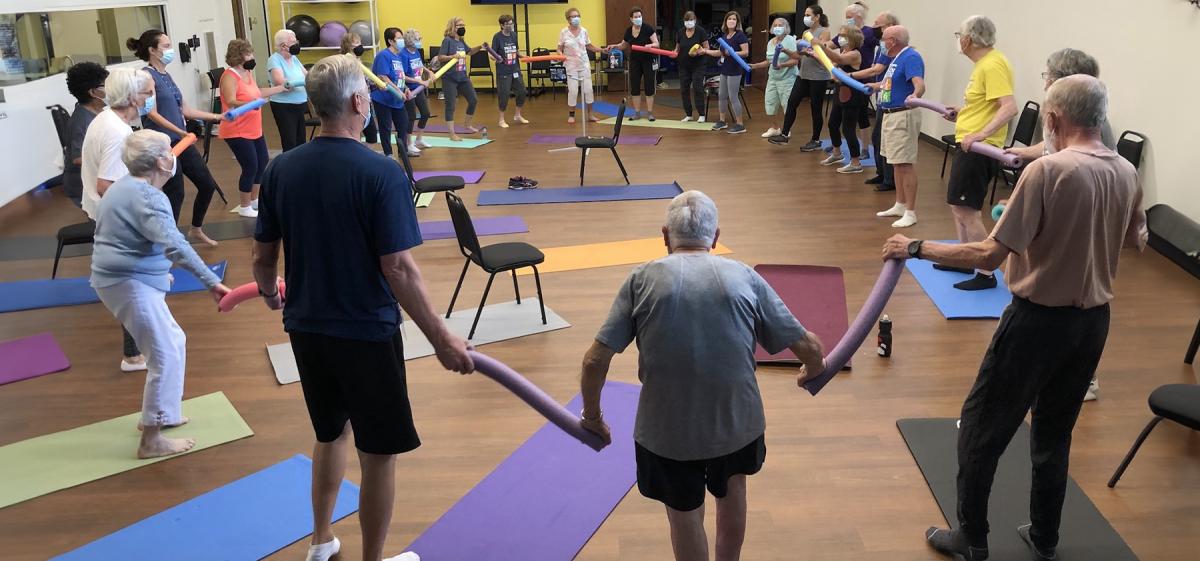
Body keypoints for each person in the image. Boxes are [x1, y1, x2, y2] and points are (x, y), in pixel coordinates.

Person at [883, 75, 1147, 561]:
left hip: (1037, 323)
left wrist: (914, 247)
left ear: (1053, 118)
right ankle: (1045, 538)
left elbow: (987, 256)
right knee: (1053, 433)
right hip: (1091, 326)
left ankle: (972, 537)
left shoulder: (1048, 171)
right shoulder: (1127, 171)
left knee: (982, 428)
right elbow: (1139, 239)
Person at [251, 54, 474, 561]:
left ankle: (320, 541)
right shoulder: (382, 172)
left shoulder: (280, 168)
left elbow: (264, 257)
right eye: (368, 95)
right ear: (357, 101)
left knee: (330, 434)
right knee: (378, 454)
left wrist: (268, 293)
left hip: (307, 329)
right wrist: (442, 338)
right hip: (366, 333)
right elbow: (398, 268)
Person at [579, 190, 826, 561]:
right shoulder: (743, 275)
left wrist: (593, 417)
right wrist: (815, 367)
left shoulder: (642, 279)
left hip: (668, 431)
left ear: (665, 236)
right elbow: (807, 345)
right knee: (733, 490)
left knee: (684, 516)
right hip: (735, 422)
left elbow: (594, 362)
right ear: (715, 236)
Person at [91, 129, 231, 459]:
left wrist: (156, 268)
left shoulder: (125, 186)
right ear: (161, 161)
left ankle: (162, 414)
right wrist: (211, 281)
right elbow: (176, 245)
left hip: (125, 278)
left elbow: (129, 237)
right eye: (169, 150)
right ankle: (151, 439)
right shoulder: (149, 198)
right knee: (163, 355)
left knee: (174, 341)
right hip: (125, 282)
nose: (173, 155)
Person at [81, 67, 155, 374]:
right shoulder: (117, 132)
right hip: (116, 219)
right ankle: (133, 356)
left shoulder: (106, 119)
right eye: (148, 94)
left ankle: (134, 352)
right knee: (133, 286)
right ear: (131, 97)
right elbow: (106, 185)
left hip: (111, 215)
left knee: (134, 285)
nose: (151, 99)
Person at [939, 16, 1017, 291]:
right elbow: (988, 105)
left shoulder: (993, 65)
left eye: (959, 34)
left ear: (968, 39)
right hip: (969, 143)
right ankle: (964, 258)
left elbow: (1009, 107)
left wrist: (981, 134)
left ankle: (985, 272)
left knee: (967, 211)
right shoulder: (985, 65)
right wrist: (962, 114)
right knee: (957, 206)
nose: (958, 40)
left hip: (979, 149)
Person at [129, 29, 224, 246]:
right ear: (152, 50)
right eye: (165, 46)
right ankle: (166, 241)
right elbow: (150, 113)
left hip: (181, 141)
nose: (170, 50)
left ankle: (195, 230)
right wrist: (180, 131)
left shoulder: (167, 75)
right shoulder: (146, 76)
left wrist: (218, 116)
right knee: (176, 193)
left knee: (207, 185)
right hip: (163, 144)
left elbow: (186, 110)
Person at [219, 39, 290, 218]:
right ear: (238, 56)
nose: (252, 57)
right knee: (250, 165)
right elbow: (230, 100)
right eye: (248, 54)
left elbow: (257, 92)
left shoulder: (247, 72)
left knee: (262, 161)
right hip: (236, 128)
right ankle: (244, 206)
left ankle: (254, 199)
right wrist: (252, 104)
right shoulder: (229, 75)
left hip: (253, 127)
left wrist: (280, 88)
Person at [1007, 48, 1115, 163]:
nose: (1046, 86)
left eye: (1049, 78)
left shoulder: (1082, 121)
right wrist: (1022, 152)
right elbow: (1050, 146)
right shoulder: (1072, 113)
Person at [867, 25, 924, 228]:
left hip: (903, 115)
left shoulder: (911, 57)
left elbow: (919, 83)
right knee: (896, 162)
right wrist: (874, 87)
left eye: (884, 39)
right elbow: (889, 84)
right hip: (891, 115)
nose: (881, 42)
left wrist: (916, 95)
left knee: (904, 164)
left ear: (893, 40)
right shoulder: (896, 58)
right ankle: (900, 204)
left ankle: (910, 211)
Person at [850, 11, 901, 190]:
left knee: (883, 139)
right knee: (878, 138)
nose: (874, 28)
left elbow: (876, 70)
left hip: (892, 101)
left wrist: (849, 75)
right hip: (882, 97)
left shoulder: (895, 48)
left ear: (889, 26)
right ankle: (882, 175)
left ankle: (889, 180)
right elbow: (875, 68)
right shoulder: (883, 46)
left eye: (878, 25)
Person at [768, 5, 830, 149]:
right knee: (792, 102)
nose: (806, 17)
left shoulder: (824, 31)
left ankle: (815, 140)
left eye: (809, 15)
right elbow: (798, 56)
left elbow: (823, 53)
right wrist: (786, 50)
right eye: (806, 15)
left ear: (817, 17)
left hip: (818, 76)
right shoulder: (806, 32)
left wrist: (809, 49)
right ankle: (784, 135)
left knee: (815, 108)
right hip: (803, 74)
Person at [816, 25, 867, 174]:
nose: (840, 38)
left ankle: (856, 162)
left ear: (852, 38)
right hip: (841, 92)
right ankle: (837, 153)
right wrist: (815, 54)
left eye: (843, 35)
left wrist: (822, 46)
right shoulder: (845, 51)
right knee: (832, 124)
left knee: (848, 129)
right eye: (840, 34)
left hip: (852, 95)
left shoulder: (855, 54)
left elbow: (837, 59)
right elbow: (833, 68)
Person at [63, 62, 109, 208]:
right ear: (93, 92)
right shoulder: (81, 120)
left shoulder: (101, 112)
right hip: (83, 185)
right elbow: (77, 158)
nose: (110, 88)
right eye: (105, 85)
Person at [605, 7, 659, 121]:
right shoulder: (629, 31)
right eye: (636, 17)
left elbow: (656, 43)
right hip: (635, 61)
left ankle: (650, 113)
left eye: (640, 16)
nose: (638, 18)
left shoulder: (648, 28)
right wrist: (614, 46)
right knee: (635, 86)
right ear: (631, 19)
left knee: (649, 86)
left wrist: (651, 45)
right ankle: (637, 113)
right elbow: (623, 45)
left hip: (648, 60)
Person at [749, 18, 798, 138]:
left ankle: (786, 129)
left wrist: (782, 65)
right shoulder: (771, 42)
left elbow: (795, 60)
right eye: (775, 25)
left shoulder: (790, 40)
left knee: (787, 106)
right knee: (770, 104)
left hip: (787, 78)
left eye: (780, 25)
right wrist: (755, 66)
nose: (777, 27)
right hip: (773, 78)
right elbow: (769, 61)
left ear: (786, 27)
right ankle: (775, 127)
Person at [372, 27, 416, 158]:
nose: (402, 41)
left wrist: (406, 89)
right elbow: (383, 77)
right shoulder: (383, 55)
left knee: (403, 124)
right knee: (385, 127)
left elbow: (400, 76)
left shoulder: (398, 56)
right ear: (390, 41)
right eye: (399, 38)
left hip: (397, 99)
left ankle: (403, 151)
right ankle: (388, 154)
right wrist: (398, 91)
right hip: (383, 99)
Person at [436, 17, 481, 142]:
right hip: (450, 78)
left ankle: (467, 124)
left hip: (462, 77)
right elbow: (440, 57)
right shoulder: (447, 41)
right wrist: (452, 56)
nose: (462, 27)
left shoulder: (461, 41)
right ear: (453, 27)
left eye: (463, 24)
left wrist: (481, 46)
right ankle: (452, 134)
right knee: (451, 105)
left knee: (473, 100)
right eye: (459, 25)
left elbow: (470, 52)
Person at [842, 2, 878, 159]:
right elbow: (832, 45)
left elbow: (884, 48)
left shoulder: (869, 33)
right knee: (843, 116)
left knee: (862, 116)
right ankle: (838, 144)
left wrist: (877, 67)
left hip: (863, 80)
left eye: (849, 17)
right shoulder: (848, 32)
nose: (847, 20)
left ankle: (864, 149)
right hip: (847, 78)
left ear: (858, 16)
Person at [705, 11, 749, 134]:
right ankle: (722, 121)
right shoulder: (724, 37)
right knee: (722, 96)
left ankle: (740, 124)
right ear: (725, 21)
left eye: (734, 19)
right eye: (729, 18)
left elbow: (745, 52)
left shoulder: (740, 35)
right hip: (724, 70)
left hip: (735, 71)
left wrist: (733, 53)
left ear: (737, 22)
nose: (731, 21)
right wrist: (706, 51)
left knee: (733, 97)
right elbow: (720, 53)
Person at [558, 7, 604, 125]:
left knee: (588, 89)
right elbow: (559, 49)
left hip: (584, 63)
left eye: (577, 16)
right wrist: (560, 55)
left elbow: (589, 46)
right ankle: (571, 115)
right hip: (571, 64)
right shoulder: (564, 32)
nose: (576, 18)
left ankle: (590, 114)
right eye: (573, 16)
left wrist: (601, 50)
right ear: (568, 19)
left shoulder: (584, 31)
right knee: (573, 91)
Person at [267, 29, 310, 152]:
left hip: (299, 103)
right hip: (283, 106)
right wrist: (299, 83)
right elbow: (280, 81)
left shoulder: (294, 58)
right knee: (290, 141)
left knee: (301, 140)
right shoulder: (274, 59)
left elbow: (306, 75)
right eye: (293, 41)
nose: (296, 43)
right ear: (283, 46)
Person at [340, 32, 379, 146]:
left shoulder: (359, 61)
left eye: (360, 43)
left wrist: (378, 84)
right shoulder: (345, 61)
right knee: (354, 132)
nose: (360, 45)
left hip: (366, 100)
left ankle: (366, 155)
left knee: (371, 135)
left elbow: (367, 79)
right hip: (353, 101)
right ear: (348, 46)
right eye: (356, 43)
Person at [492, 14, 529, 128]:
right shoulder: (497, 37)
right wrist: (496, 58)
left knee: (522, 92)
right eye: (508, 24)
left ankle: (517, 115)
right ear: (502, 25)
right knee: (504, 95)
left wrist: (523, 57)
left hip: (515, 69)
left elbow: (516, 50)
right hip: (503, 71)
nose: (510, 25)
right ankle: (501, 119)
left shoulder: (513, 35)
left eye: (511, 23)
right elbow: (492, 53)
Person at [400, 29, 434, 152]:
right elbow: (402, 75)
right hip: (409, 89)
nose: (420, 41)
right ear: (411, 41)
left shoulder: (416, 52)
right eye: (418, 39)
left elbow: (420, 65)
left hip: (419, 88)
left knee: (425, 113)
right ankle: (409, 143)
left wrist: (429, 71)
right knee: (411, 116)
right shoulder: (403, 54)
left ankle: (419, 139)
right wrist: (419, 82)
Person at [674, 11, 709, 123]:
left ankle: (701, 114)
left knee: (698, 88)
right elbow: (677, 48)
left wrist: (698, 53)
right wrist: (673, 53)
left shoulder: (701, 31)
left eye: (691, 20)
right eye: (687, 20)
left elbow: (706, 49)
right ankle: (688, 114)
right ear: (684, 22)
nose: (689, 22)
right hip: (683, 65)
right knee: (684, 90)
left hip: (698, 65)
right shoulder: (680, 32)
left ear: (695, 20)